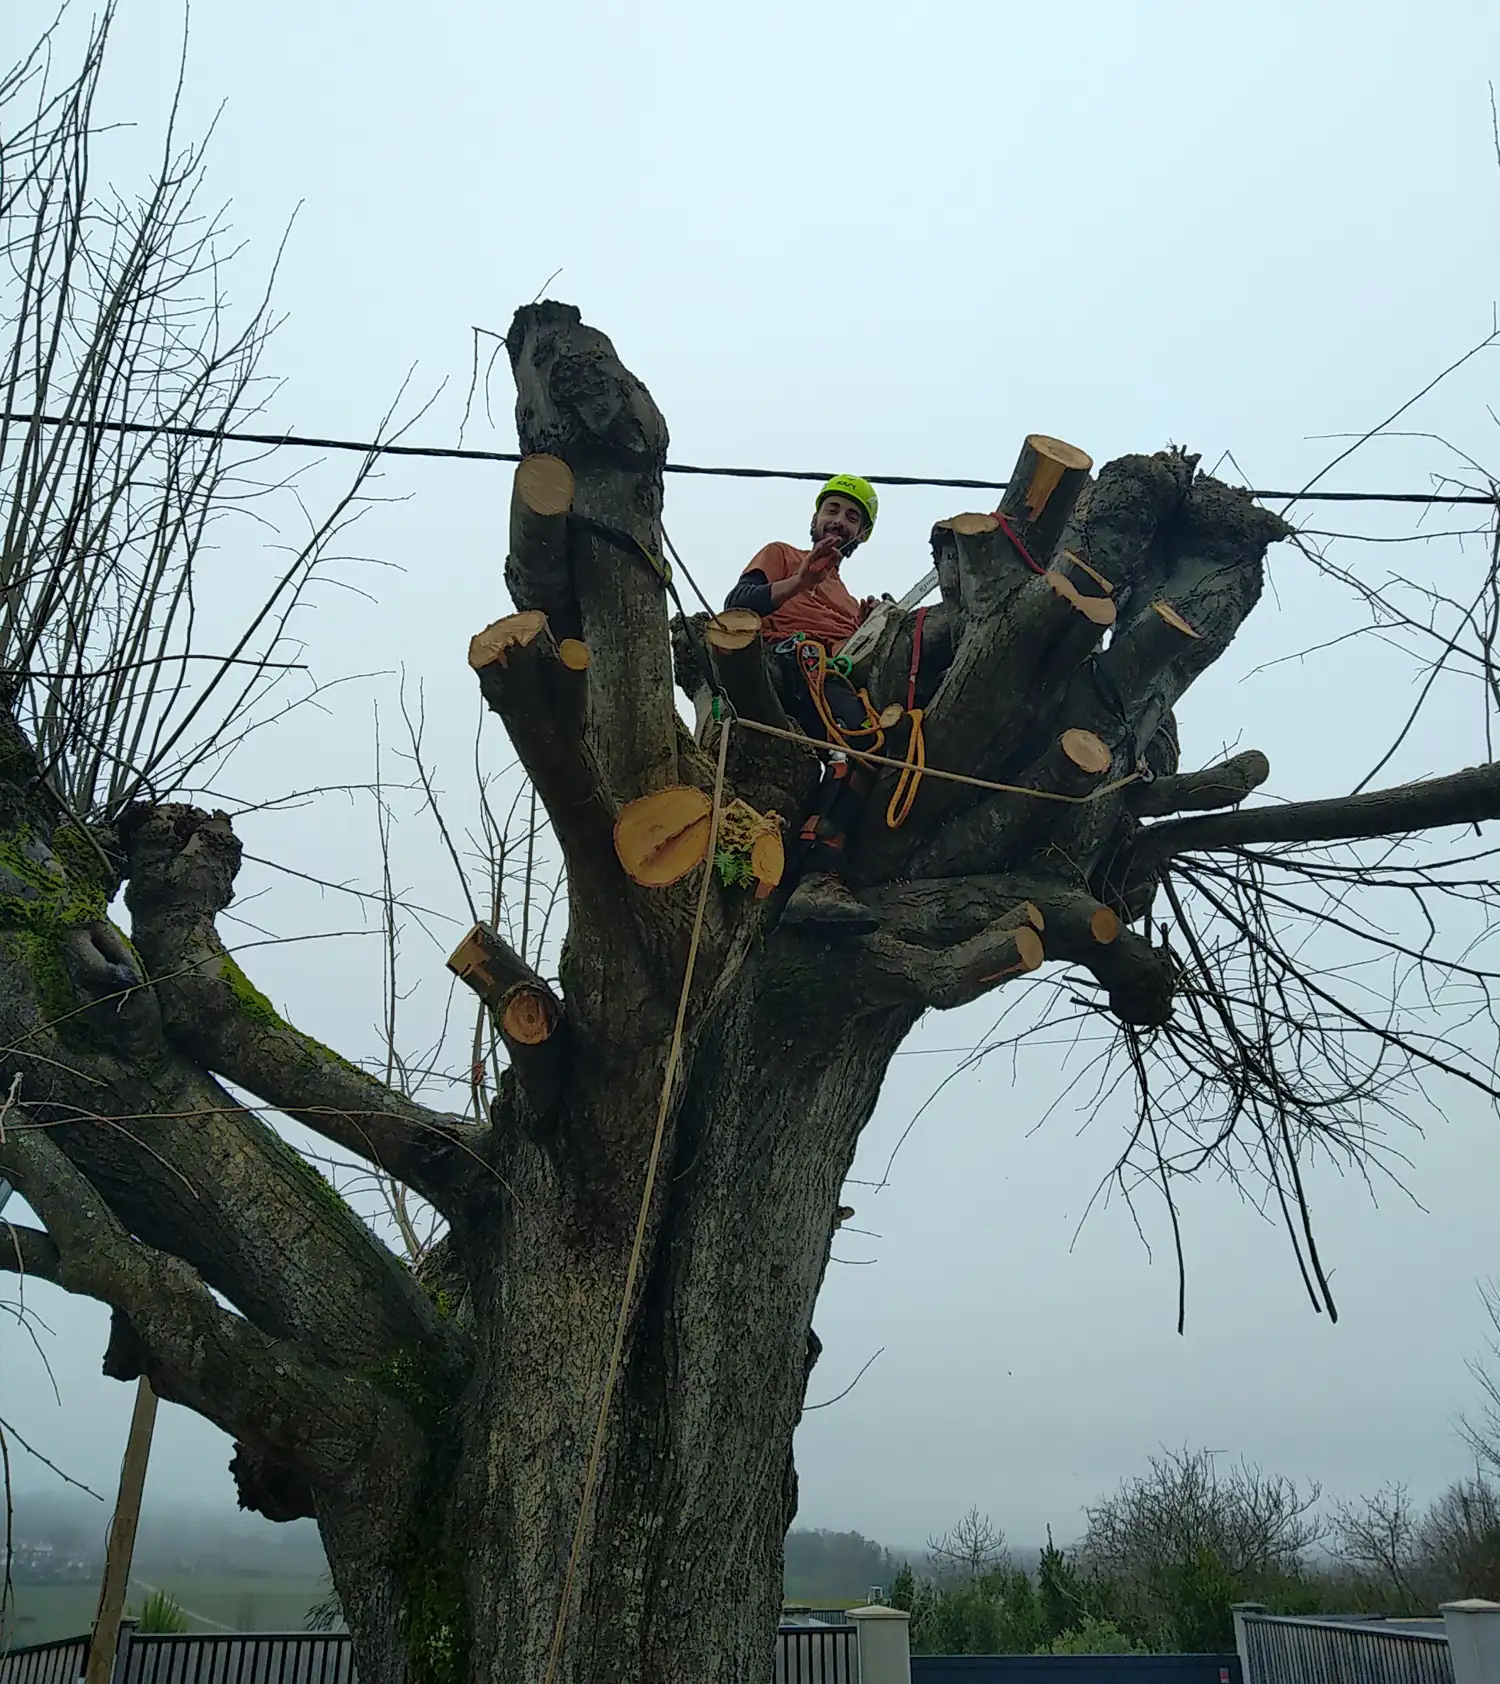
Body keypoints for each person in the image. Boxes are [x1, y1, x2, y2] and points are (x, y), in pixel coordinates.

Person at [722, 475, 883, 933]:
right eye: (832, 510)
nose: (839, 521)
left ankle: (814, 853)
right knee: (860, 741)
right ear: (814, 518)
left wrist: (871, 627)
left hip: (833, 675)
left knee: (873, 749)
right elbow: (739, 603)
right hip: (790, 659)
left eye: (852, 517)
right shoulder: (782, 555)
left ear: (861, 536)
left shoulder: (849, 601)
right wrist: (799, 581)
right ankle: (817, 873)